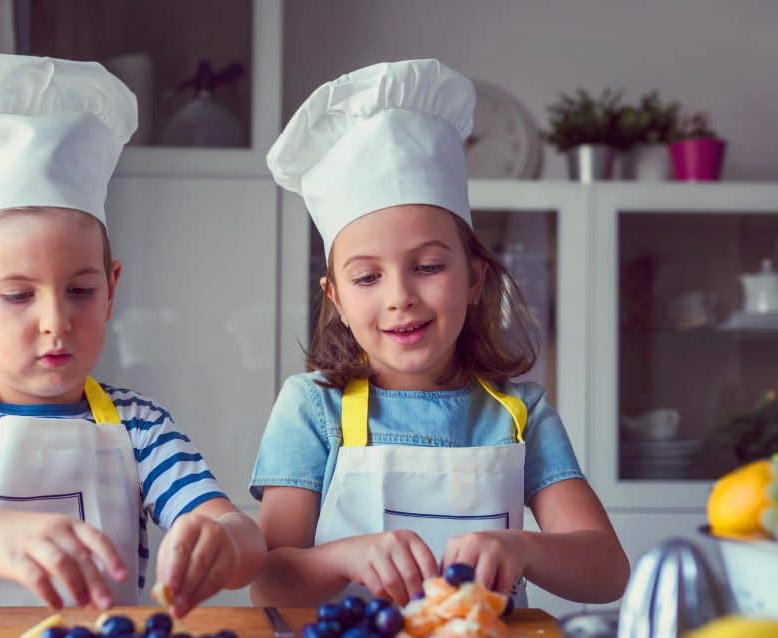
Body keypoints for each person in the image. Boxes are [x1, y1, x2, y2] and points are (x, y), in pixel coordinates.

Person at [0, 54, 265, 633]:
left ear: (111, 289)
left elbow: (244, 539)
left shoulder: (140, 427)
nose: (55, 321)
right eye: (18, 296)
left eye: (80, 290)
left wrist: (220, 540)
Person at [249, 59, 628, 609]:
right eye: (368, 277)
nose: (400, 295)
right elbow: (269, 583)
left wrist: (522, 548)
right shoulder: (311, 408)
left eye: (428, 266)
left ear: (474, 278)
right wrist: (342, 558)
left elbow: (607, 571)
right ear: (337, 297)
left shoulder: (520, 413)